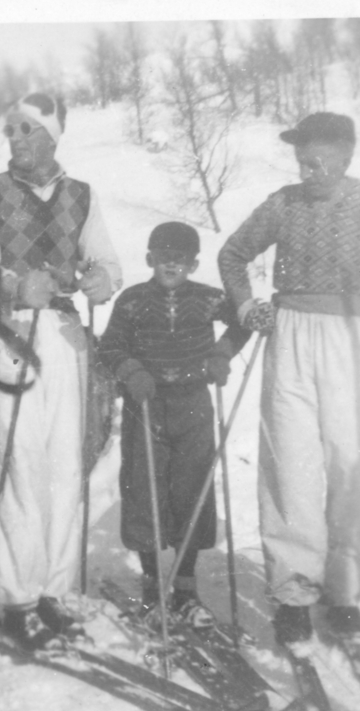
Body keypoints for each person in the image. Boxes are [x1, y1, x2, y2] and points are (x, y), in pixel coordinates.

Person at [217, 112, 360, 644]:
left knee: (350, 460)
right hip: (292, 333)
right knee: (290, 462)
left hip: (354, 337)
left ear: (346, 157)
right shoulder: (284, 202)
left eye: (320, 159)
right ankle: (294, 592)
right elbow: (233, 254)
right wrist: (247, 304)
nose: (309, 170)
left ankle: (341, 593)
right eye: (302, 159)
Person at [0, 92, 122, 649]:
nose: (16, 139)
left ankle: (54, 592)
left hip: (64, 335)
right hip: (10, 337)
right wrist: (12, 285)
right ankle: (17, 598)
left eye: (27, 131)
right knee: (19, 466)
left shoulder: (81, 194)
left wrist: (103, 276)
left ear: (53, 136)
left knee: (63, 467)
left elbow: (105, 258)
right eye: (11, 130)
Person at [99, 222, 250, 619]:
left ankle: (185, 583)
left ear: (193, 263)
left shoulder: (207, 298)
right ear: (150, 259)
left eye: (180, 260)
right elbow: (111, 343)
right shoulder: (132, 300)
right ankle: (152, 580)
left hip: (193, 403)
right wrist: (131, 371)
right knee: (144, 487)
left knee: (192, 487)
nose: (171, 265)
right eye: (163, 258)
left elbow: (242, 321)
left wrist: (221, 355)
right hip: (145, 403)